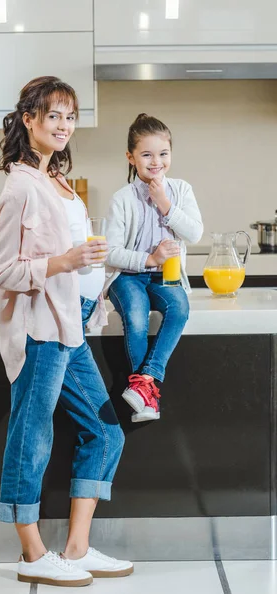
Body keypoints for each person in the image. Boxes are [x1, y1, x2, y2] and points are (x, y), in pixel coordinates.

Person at [0, 76, 132, 587]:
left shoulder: (57, 180)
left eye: (70, 116)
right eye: (54, 116)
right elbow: (0, 270)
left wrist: (89, 272)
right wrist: (65, 261)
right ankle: (31, 553)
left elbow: (73, 257)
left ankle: (75, 549)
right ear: (29, 119)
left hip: (70, 329)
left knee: (106, 430)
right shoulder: (21, 185)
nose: (64, 126)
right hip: (38, 330)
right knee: (32, 436)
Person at [105, 113, 203, 423]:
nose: (155, 161)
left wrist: (165, 204)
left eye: (163, 153)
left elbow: (195, 233)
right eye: (146, 154)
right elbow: (110, 252)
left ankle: (144, 385)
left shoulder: (181, 191)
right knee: (135, 316)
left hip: (168, 277)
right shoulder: (122, 199)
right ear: (131, 157)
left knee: (179, 309)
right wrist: (149, 259)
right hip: (129, 277)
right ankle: (146, 394)